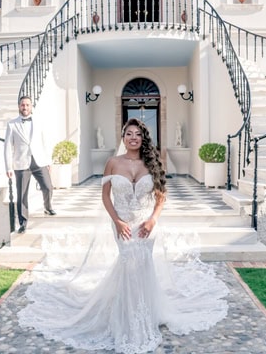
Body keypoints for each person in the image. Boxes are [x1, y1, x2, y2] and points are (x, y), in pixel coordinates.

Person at [17, 118, 229, 353]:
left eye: (138, 134)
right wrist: (117, 221)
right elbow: (105, 196)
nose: (133, 138)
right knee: (129, 264)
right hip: (122, 224)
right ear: (123, 138)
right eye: (129, 134)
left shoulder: (153, 162)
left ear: (143, 138)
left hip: (146, 225)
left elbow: (161, 196)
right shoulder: (113, 162)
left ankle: (145, 313)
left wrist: (152, 220)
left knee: (143, 265)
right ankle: (127, 317)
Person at [4, 96, 56, 234]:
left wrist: (49, 161)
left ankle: (48, 207)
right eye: (23, 105)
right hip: (21, 163)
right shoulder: (12, 124)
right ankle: (23, 223)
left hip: (39, 161)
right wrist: (8, 167)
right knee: (22, 195)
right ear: (19, 106)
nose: (25, 107)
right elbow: (8, 147)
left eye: (27, 105)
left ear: (31, 106)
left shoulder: (39, 122)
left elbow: (46, 142)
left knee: (48, 187)